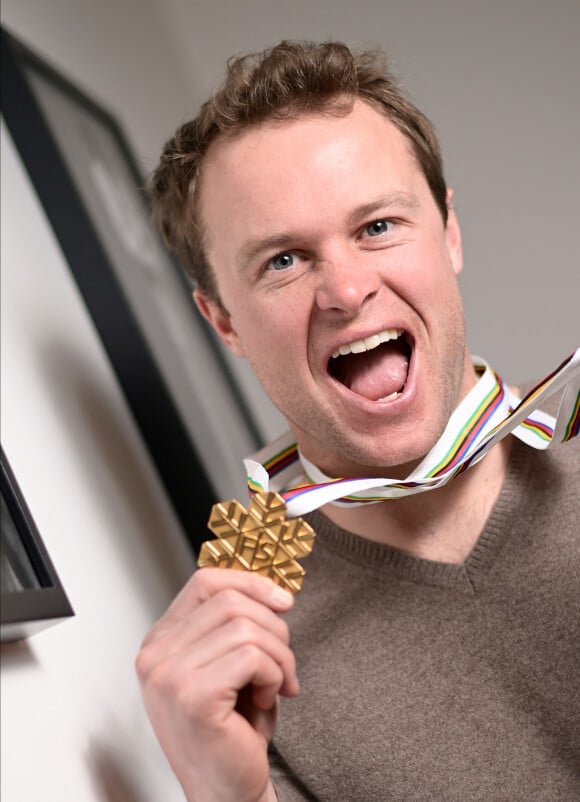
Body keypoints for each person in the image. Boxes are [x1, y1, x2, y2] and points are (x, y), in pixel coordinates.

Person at [135, 41, 579, 801]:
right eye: (282, 261)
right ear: (223, 323)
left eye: (377, 226)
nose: (345, 289)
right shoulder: (250, 672)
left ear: (448, 232)